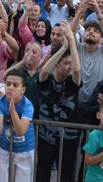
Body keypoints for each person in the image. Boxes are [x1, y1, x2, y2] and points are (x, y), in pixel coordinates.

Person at [36, 23, 81, 182]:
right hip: (45, 135)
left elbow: (77, 71)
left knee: (67, 175)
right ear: (57, 64)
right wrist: (62, 49)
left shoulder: (73, 83)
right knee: (42, 172)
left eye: (70, 63)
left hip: (69, 138)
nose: (69, 67)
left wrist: (71, 41)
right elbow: (43, 71)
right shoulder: (46, 80)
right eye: (65, 63)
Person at [0, 69, 36, 182]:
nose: (10, 87)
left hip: (25, 151)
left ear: (23, 90)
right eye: (8, 84)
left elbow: (21, 130)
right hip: (5, 149)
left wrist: (12, 111)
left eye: (15, 85)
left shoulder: (28, 105)